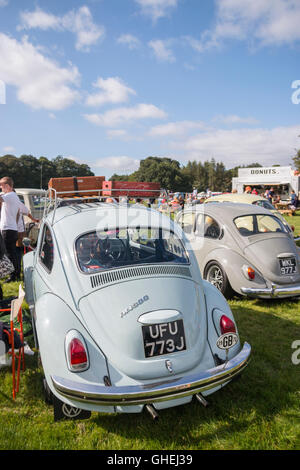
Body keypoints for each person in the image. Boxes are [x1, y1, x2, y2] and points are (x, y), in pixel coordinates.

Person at [0, 176, 39, 281]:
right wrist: (34, 219)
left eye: (1, 186)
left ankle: (13, 276)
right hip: (11, 229)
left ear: (7, 186)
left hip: (7, 229)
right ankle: (16, 274)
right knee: (13, 253)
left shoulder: (10, 196)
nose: (0, 188)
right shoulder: (14, 197)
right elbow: (26, 211)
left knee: (9, 254)